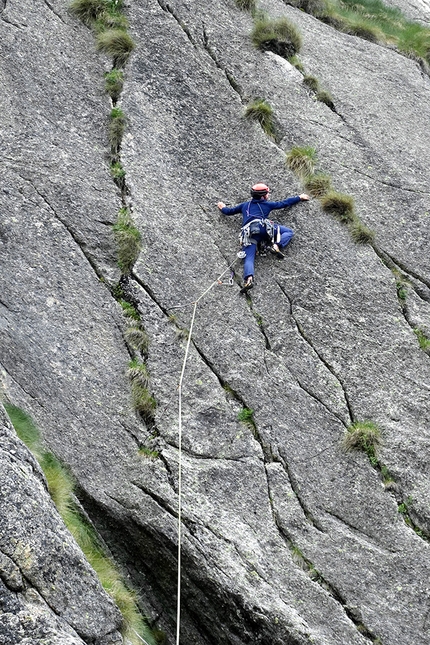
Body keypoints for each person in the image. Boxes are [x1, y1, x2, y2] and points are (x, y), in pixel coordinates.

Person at [218, 183, 309, 293]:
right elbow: (284, 203)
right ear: (263, 196)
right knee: (288, 232)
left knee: (249, 258)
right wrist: (299, 197)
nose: (268, 195)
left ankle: (249, 279)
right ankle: (276, 246)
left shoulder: (245, 205)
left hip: (250, 233)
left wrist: (222, 207)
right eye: (267, 193)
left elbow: (229, 211)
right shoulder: (267, 204)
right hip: (265, 229)